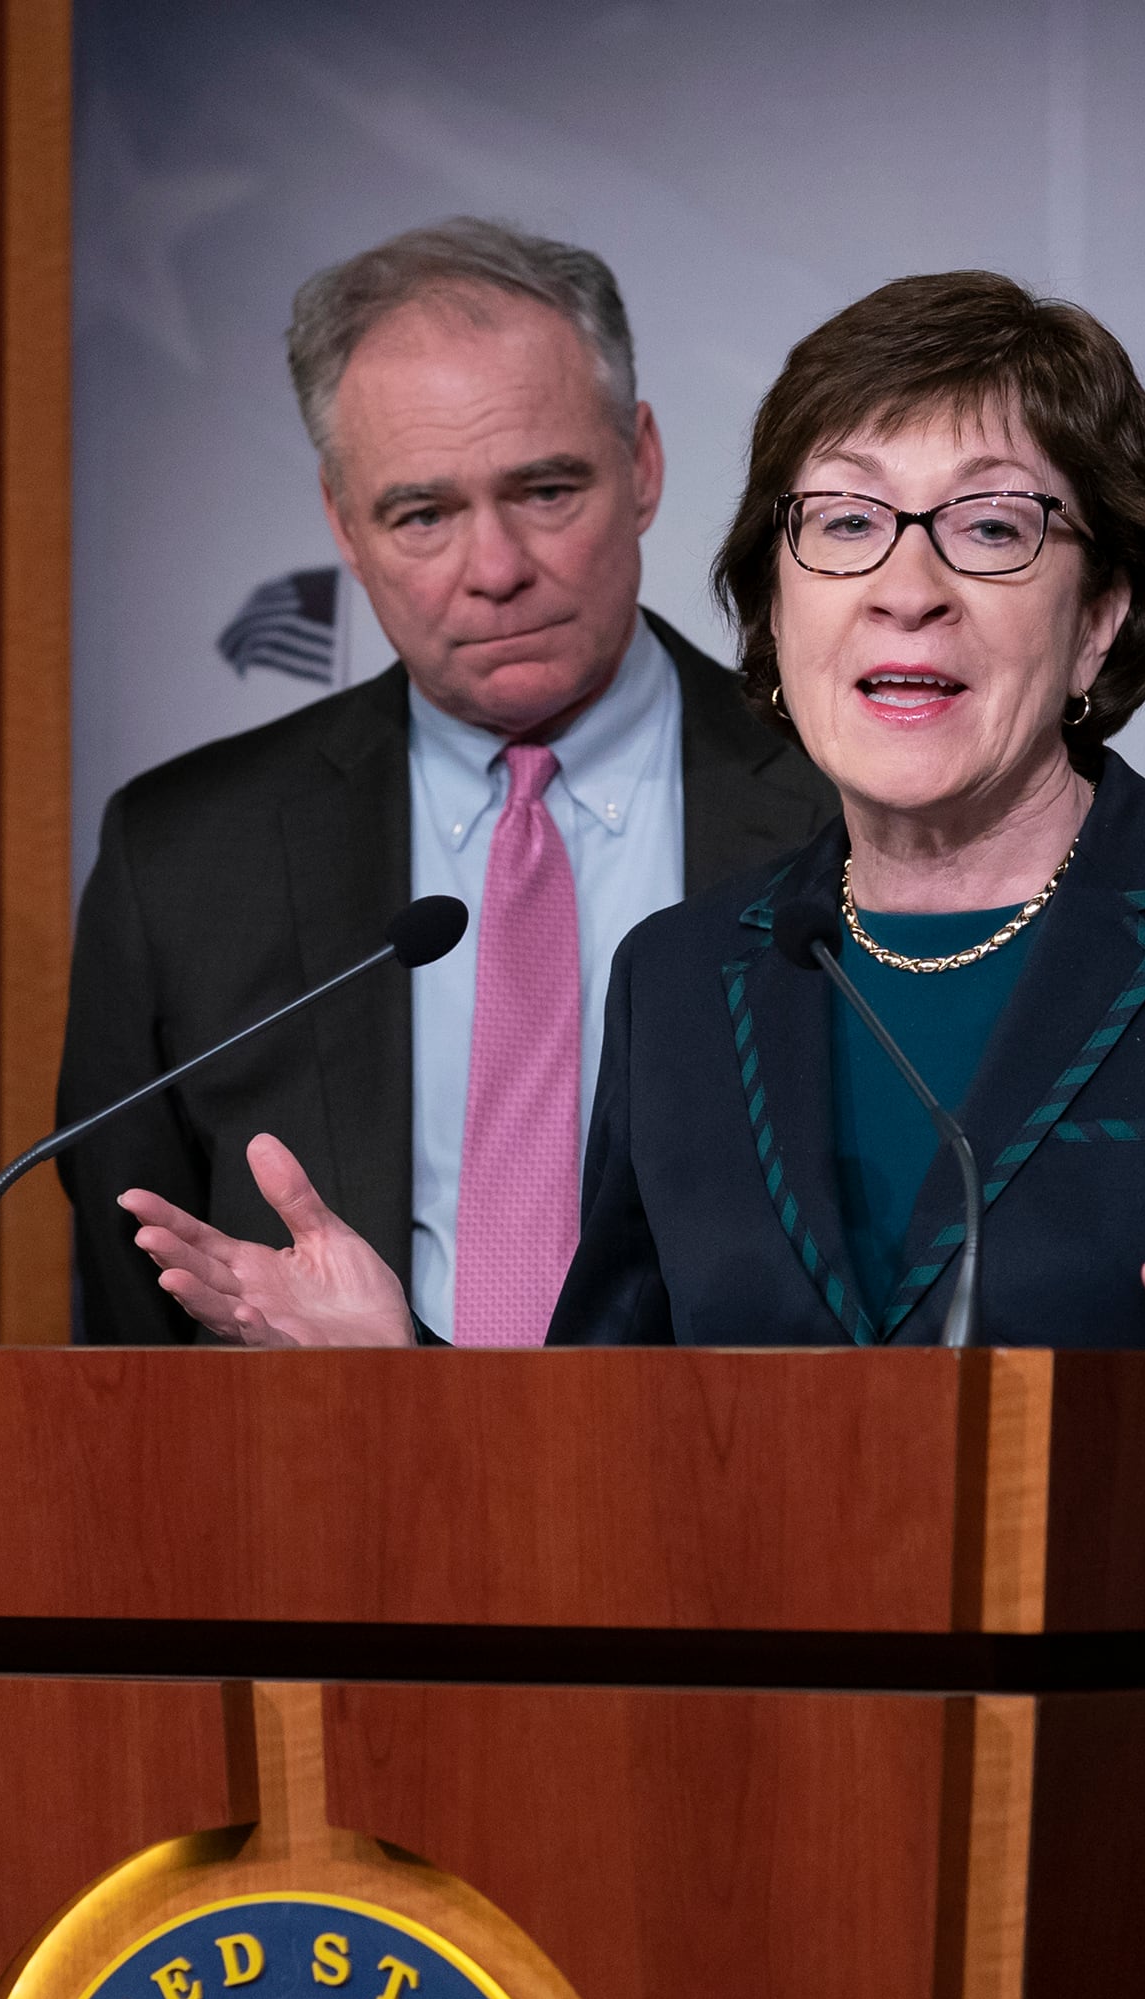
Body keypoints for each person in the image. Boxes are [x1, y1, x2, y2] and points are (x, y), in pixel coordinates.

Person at [116, 272, 1145, 1357]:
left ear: (1102, 614)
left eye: (990, 529)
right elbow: (607, 1481)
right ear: (775, 604)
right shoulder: (688, 981)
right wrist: (393, 1378)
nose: (906, 588)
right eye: (846, 522)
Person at [57, 218, 833, 1348]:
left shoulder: (852, 810)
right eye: (423, 513)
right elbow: (138, 1334)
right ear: (343, 522)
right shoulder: (183, 859)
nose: (497, 569)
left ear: (644, 464)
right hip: (320, 1503)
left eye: (548, 490)